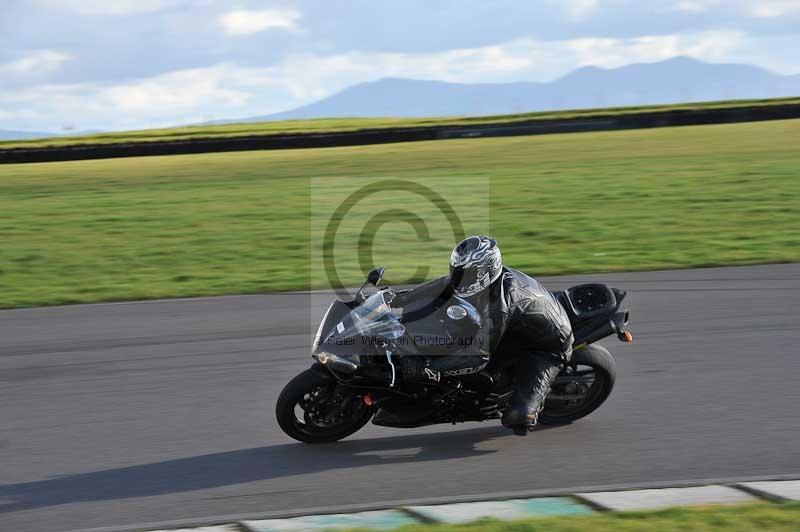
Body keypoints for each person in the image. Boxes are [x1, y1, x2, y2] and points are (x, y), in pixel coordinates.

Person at [393, 236, 573, 433]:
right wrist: (397, 298)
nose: (457, 277)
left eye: (465, 274)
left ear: (484, 271)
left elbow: (478, 357)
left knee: (518, 417)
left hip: (546, 348)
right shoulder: (482, 284)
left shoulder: (500, 307)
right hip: (522, 330)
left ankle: (528, 407)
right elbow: (441, 285)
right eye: (457, 271)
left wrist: (429, 368)